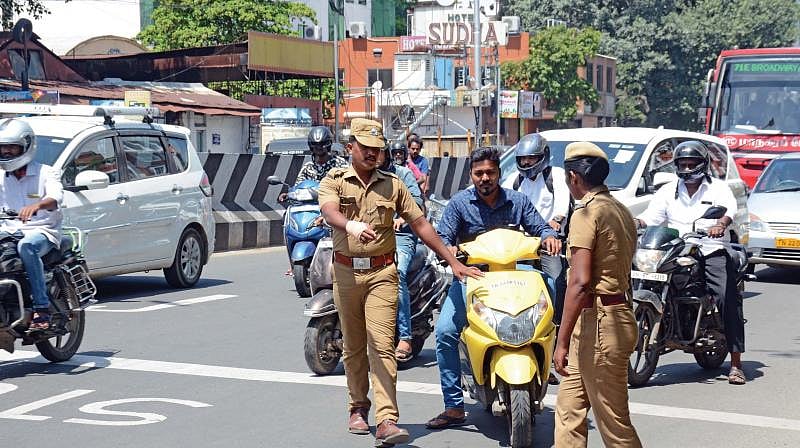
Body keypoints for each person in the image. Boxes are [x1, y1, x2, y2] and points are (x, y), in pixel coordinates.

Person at [318, 118, 482, 447]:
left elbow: (420, 224)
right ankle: (357, 407)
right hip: (347, 273)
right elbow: (329, 211)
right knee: (353, 347)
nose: (372, 154)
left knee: (382, 345)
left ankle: (386, 420)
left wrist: (452, 262)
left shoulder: (393, 185)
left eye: (377, 150)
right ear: (351, 147)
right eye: (365, 148)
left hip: (382, 274)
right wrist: (349, 226)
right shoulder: (334, 180)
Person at [425, 146, 561, 430]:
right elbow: (443, 237)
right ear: (472, 175)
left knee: (549, 294)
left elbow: (540, 227)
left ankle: (553, 354)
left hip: (517, 272)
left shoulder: (518, 201)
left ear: (499, 173)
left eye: (490, 172)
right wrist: (448, 249)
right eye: (479, 173)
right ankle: (453, 406)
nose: (485, 178)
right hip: (473, 276)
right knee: (446, 332)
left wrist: (549, 237)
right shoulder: (459, 204)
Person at [554, 141, 642, 447]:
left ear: (573, 178)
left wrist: (560, 341)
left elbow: (579, 283)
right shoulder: (620, 210)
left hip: (602, 327)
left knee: (614, 424)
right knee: (569, 411)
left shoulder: (586, 213)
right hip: (601, 320)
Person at [636, 140, 746, 385]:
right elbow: (651, 218)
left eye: (691, 163)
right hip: (676, 249)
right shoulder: (667, 191)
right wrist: (634, 223)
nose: (686, 168)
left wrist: (720, 225)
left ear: (702, 164)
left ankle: (736, 364)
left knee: (726, 298)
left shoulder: (718, 188)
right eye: (682, 164)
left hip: (710, 249)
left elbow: (729, 210)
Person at [0, 119, 63, 331]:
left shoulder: (47, 172)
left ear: (26, 146)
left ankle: (41, 307)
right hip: (8, 230)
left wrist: (37, 205)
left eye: (11, 147)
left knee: (26, 247)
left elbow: (55, 198)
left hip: (42, 231)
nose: (6, 152)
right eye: (3, 147)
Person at [502, 133, 570, 325]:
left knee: (555, 279)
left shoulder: (555, 175)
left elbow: (562, 205)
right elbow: (502, 199)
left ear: (543, 157)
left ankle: (556, 322)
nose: (526, 162)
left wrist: (556, 220)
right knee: (511, 280)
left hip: (550, 242)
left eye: (531, 157)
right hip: (522, 243)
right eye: (523, 158)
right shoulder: (515, 181)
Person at [381, 141, 424, 362]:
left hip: (402, 236)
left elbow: (418, 204)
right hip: (372, 235)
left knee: (396, 272)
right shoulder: (364, 175)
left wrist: (401, 218)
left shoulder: (403, 174)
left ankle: (405, 336)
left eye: (378, 153)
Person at [278, 126, 348, 201]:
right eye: (315, 144)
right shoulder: (308, 168)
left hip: (334, 206)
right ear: (311, 146)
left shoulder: (341, 164)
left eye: (322, 144)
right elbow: (299, 187)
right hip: (310, 206)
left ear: (329, 144)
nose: (319, 147)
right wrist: (288, 195)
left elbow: (349, 187)